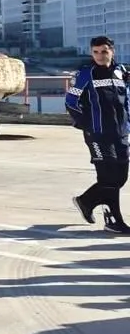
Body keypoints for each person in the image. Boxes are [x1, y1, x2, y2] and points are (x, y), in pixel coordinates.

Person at [68, 35, 130, 234]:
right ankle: (113, 221)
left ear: (112, 51)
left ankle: (85, 201)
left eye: (104, 51)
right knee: (108, 177)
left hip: (121, 133)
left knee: (120, 178)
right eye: (95, 52)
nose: (100, 56)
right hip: (98, 134)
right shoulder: (85, 74)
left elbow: (126, 100)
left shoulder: (122, 72)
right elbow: (71, 102)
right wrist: (86, 125)